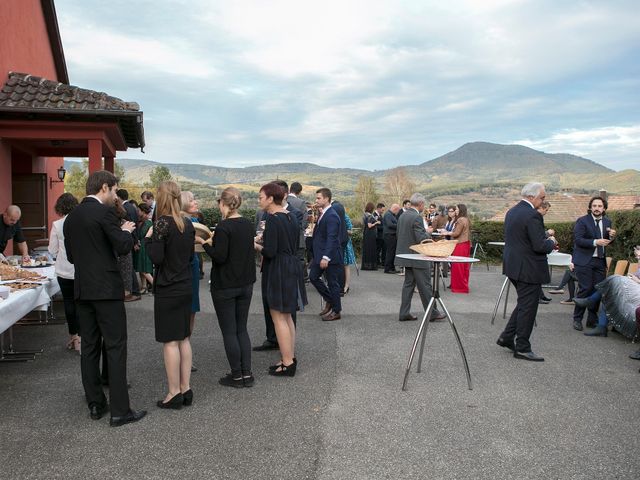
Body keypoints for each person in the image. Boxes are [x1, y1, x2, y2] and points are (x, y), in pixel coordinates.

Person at [64, 170, 146, 427]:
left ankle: (96, 403)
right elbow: (122, 247)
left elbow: (71, 256)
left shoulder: (71, 217)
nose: (114, 195)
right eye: (114, 190)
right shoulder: (105, 213)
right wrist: (126, 230)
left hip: (83, 289)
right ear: (104, 188)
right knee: (115, 345)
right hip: (106, 290)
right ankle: (121, 410)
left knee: (89, 347)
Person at [197, 187, 256, 387]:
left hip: (225, 286)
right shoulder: (248, 224)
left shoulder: (223, 228)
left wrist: (204, 243)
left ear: (223, 204)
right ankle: (247, 374)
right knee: (242, 329)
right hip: (246, 284)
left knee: (229, 331)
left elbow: (219, 256)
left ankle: (236, 375)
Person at [144, 181, 195, 409]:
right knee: (183, 338)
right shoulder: (187, 223)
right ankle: (186, 388)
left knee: (170, 342)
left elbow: (156, 258)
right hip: (185, 285)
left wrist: (147, 239)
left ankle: (174, 392)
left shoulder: (162, 224)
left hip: (168, 288)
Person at [496, 182, 556, 362]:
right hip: (529, 269)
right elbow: (539, 245)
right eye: (542, 197)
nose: (543, 201)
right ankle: (522, 347)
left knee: (524, 304)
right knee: (528, 308)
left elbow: (521, 239)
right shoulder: (532, 215)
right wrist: (551, 243)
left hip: (514, 266)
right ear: (532, 197)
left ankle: (506, 337)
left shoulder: (512, 211)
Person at [254, 182, 307, 375]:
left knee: (278, 318)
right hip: (291, 266)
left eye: (260, 197)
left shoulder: (274, 218)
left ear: (270, 198)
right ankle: (289, 358)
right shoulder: (291, 216)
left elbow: (270, 251)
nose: (259, 200)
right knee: (287, 316)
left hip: (278, 268)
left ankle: (287, 362)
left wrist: (257, 246)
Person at [395, 193, 446, 322]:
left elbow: (400, 235)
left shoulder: (402, 215)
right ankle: (432, 313)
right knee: (425, 286)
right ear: (421, 204)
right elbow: (421, 239)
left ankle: (404, 313)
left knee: (408, 285)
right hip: (417, 256)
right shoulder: (417, 217)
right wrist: (428, 234)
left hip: (406, 255)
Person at [571, 196, 616, 331]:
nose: (597, 208)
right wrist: (595, 242)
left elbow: (607, 241)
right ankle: (577, 319)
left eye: (600, 206)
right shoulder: (582, 221)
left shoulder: (608, 221)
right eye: (594, 206)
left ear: (604, 208)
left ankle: (592, 319)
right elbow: (578, 240)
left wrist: (612, 237)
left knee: (597, 289)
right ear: (590, 207)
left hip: (600, 260)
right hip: (584, 260)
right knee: (585, 288)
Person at [578, 245, 640, 338]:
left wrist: (637, 280)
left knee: (615, 279)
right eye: (637, 256)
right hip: (634, 289)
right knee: (610, 291)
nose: (637, 257)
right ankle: (601, 326)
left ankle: (591, 301)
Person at [48, 193, 80, 352]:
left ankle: (74, 336)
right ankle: (82, 336)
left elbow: (52, 250)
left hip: (63, 269)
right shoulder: (81, 222)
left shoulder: (57, 224)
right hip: (80, 269)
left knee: (68, 302)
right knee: (81, 303)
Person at [309, 187, 343, 322]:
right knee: (313, 277)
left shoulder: (332, 216)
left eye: (319, 198)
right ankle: (330, 300)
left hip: (330, 257)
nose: (316, 200)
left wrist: (326, 257)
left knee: (333, 283)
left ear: (327, 199)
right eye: (316, 198)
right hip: (320, 255)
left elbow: (332, 238)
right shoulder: (324, 213)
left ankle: (336, 311)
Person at [180, 191, 201, 344]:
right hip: (181, 267)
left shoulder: (194, 220)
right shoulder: (176, 221)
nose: (196, 202)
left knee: (192, 310)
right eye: (192, 200)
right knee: (181, 309)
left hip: (192, 264)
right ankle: (178, 346)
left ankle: (185, 344)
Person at [116, 189, 141, 300]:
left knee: (128, 268)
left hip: (127, 238)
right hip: (131, 237)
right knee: (130, 267)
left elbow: (131, 225)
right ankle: (134, 291)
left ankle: (132, 291)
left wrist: (135, 241)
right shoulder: (132, 207)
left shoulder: (125, 208)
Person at [287, 181, 309, 283]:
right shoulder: (301, 203)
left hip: (284, 238)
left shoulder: (283, 200)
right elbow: (305, 222)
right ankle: (299, 281)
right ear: (299, 192)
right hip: (298, 238)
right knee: (299, 260)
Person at [448, 203, 471, 294]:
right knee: (463, 266)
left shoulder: (461, 220)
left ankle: (459, 287)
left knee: (458, 266)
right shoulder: (466, 219)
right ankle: (462, 285)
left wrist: (447, 233)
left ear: (461, 210)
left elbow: (456, 233)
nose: (456, 211)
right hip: (466, 244)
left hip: (460, 244)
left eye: (457, 209)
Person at [133, 203, 154, 293]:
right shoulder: (143, 222)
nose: (137, 212)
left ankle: (156, 286)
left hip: (145, 248)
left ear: (143, 211)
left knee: (145, 270)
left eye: (139, 211)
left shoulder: (148, 223)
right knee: (141, 269)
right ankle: (144, 287)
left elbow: (145, 236)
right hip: (142, 247)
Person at [383, 204, 400, 274]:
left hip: (392, 235)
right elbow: (390, 225)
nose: (398, 212)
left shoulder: (391, 215)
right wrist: (399, 225)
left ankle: (392, 268)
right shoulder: (388, 215)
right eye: (398, 211)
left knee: (392, 252)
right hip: (389, 235)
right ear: (395, 209)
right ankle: (387, 268)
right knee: (390, 252)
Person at [361, 202, 379, 270]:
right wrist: (376, 222)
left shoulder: (364, 214)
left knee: (367, 249)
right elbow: (369, 225)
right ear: (371, 208)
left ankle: (366, 265)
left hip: (366, 233)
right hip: (370, 234)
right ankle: (370, 265)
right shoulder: (369, 216)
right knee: (371, 249)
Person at [342, 212, 356, 295]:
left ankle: (346, 286)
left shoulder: (345, 216)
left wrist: (342, 230)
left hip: (345, 243)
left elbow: (351, 231)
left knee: (346, 265)